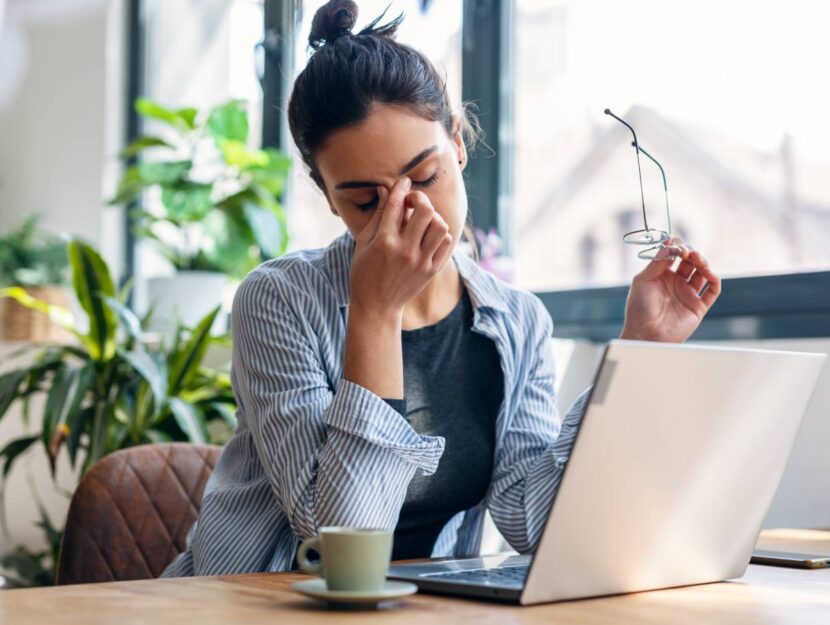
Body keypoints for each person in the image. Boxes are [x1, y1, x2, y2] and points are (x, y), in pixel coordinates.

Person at [161, 0, 721, 577]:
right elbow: (343, 546)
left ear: (457, 141)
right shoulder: (279, 302)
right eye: (365, 201)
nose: (409, 212)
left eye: (425, 176)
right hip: (254, 604)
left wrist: (638, 348)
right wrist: (375, 315)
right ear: (328, 196)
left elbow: (533, 519)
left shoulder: (517, 321)